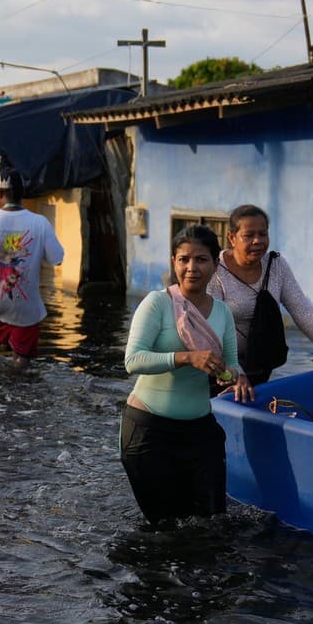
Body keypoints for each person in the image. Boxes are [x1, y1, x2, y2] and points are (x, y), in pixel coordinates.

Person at [121, 224, 254, 525]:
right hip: (149, 432)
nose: (191, 268)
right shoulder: (158, 304)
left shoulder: (222, 312)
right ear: (174, 262)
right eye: (184, 259)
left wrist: (228, 374)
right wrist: (186, 358)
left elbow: (233, 365)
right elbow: (133, 360)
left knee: (211, 522)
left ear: (215, 265)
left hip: (200, 431)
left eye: (201, 259)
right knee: (166, 529)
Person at [209, 204, 313, 385]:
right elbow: (213, 331)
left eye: (263, 234)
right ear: (232, 238)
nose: (257, 241)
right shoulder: (215, 270)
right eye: (249, 235)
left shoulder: (276, 265)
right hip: (220, 370)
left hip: (259, 367)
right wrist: (236, 374)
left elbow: (303, 311)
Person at [0, 168, 65, 368]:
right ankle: (17, 380)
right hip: (26, 308)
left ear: (0, 193)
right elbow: (57, 258)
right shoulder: (40, 223)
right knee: (23, 360)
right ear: (22, 193)